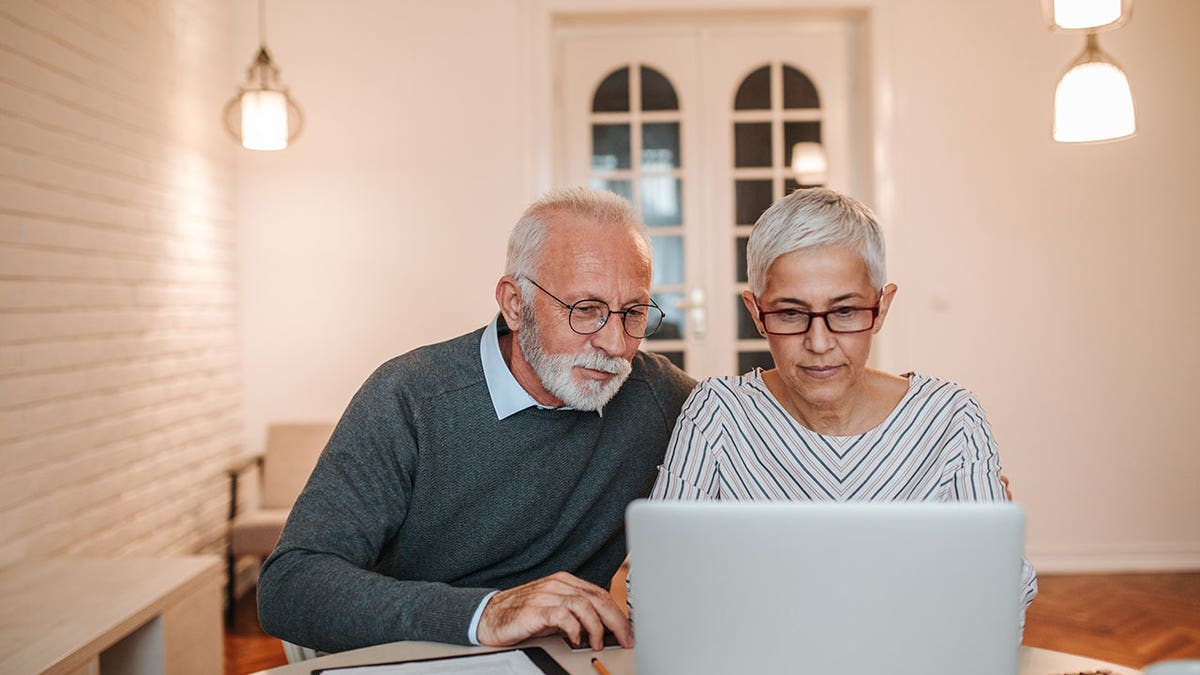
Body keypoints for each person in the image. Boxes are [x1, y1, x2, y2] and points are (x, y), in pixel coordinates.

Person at [257, 187, 696, 654]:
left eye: (633, 313)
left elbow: (752, 415)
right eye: (585, 310)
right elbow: (290, 585)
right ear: (514, 302)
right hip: (411, 654)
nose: (614, 342)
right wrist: (486, 612)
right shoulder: (410, 397)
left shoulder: (656, 394)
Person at [647, 187, 1038, 631]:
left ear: (882, 306)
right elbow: (657, 590)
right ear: (756, 313)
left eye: (846, 311)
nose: (819, 343)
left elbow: (1001, 599)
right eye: (791, 314)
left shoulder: (952, 419)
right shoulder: (716, 413)